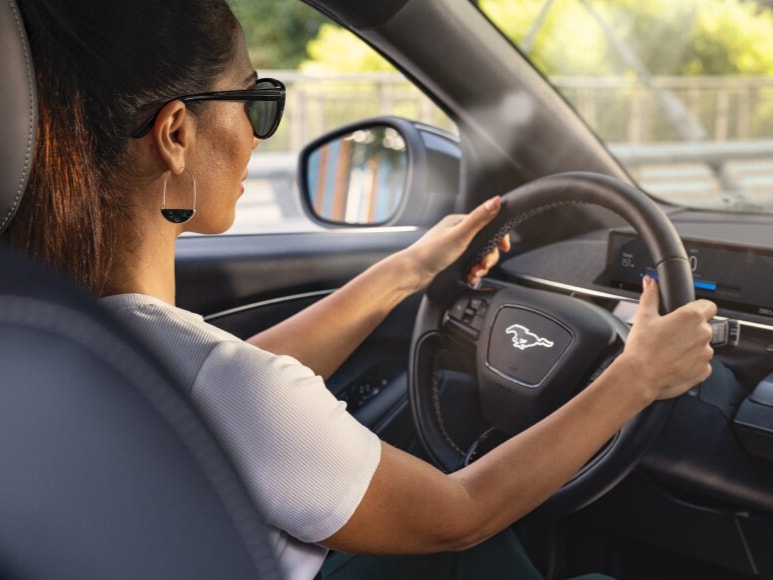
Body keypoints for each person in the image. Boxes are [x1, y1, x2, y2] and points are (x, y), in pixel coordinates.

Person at [10, 1, 717, 579]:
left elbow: (221, 392)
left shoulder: (52, 336)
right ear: (174, 133)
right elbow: (455, 517)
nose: (259, 137)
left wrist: (407, 270)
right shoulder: (214, 379)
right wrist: (637, 377)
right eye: (256, 101)